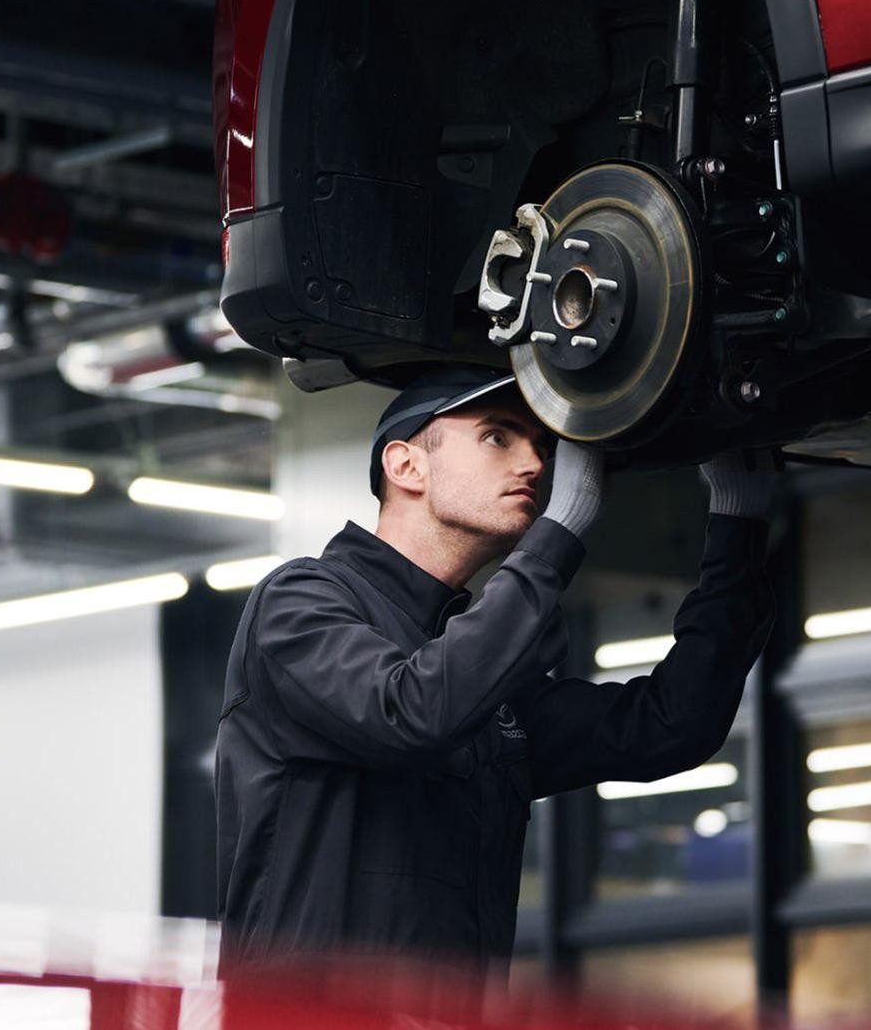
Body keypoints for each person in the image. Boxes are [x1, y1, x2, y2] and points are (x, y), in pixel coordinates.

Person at [214, 365, 775, 983]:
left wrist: (737, 526)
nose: (535, 464)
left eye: (541, 445)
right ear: (406, 467)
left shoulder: (484, 680)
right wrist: (556, 540)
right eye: (498, 437)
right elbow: (410, 712)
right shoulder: (299, 601)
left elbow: (669, 727)